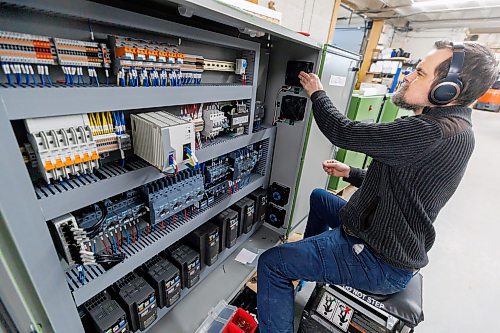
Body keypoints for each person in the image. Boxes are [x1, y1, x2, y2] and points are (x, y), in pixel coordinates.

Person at [257, 40, 498, 333]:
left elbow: (342, 131)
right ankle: (306, 273)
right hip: (384, 233)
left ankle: (293, 273)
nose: (408, 76)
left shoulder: (431, 130)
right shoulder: (459, 128)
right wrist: (352, 173)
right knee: (320, 198)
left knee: (272, 263)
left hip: (377, 257)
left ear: (447, 90)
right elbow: (406, 184)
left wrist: (317, 93)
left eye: (419, 73)